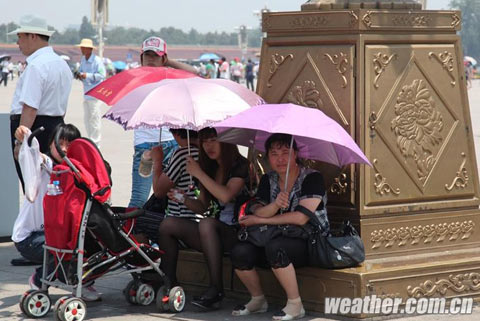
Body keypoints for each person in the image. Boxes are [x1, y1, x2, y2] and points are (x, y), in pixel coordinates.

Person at [230, 133, 329, 321]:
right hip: (276, 234)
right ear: (267, 157)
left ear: (296, 154)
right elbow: (258, 209)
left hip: (310, 240)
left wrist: (260, 220)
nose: (280, 159)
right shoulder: (269, 179)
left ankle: (295, 304)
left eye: (286, 152)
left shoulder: (312, 178)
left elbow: (301, 218)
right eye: (274, 154)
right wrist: (275, 205)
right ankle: (258, 300)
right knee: (239, 251)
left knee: (276, 248)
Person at [173, 127, 250, 310]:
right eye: (205, 141)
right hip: (212, 232)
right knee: (169, 225)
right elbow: (203, 207)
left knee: (206, 224)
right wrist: (182, 198)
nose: (209, 146)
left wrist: (199, 173)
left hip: (237, 232)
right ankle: (170, 283)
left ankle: (216, 288)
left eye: (213, 140)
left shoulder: (240, 165)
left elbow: (226, 196)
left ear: (227, 141)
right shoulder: (210, 167)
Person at [127, 36, 198, 209]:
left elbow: (194, 73)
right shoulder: (134, 78)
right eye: (147, 55)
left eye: (156, 56)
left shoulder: (172, 78)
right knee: (139, 199)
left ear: (163, 58)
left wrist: (168, 63)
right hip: (145, 146)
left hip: (170, 143)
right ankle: (131, 233)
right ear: (141, 57)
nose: (151, 59)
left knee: (171, 195)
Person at [9, 15, 73, 193]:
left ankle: (38, 221)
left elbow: (30, 108)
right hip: (56, 126)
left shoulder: (36, 66)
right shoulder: (61, 65)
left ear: (33, 36)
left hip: (34, 128)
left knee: (33, 186)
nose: (17, 42)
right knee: (52, 185)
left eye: (20, 36)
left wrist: (20, 142)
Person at [11, 124, 80, 266]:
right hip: (29, 238)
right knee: (68, 250)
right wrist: (21, 139)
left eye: (70, 145)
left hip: (51, 234)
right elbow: (34, 155)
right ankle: (38, 278)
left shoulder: (74, 172)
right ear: (50, 145)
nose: (64, 149)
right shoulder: (45, 166)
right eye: (59, 144)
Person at [133, 129, 200, 243]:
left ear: (175, 134)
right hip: (199, 223)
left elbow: (159, 191)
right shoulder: (204, 152)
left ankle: (141, 257)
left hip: (183, 224)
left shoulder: (183, 154)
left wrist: (158, 161)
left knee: (136, 220)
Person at [75, 38, 106, 147]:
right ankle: (91, 140)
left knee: (94, 119)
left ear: (89, 49)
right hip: (87, 93)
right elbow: (82, 71)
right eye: (81, 48)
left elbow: (102, 75)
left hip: (95, 94)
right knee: (87, 119)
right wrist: (79, 75)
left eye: (83, 48)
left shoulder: (97, 61)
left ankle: (96, 143)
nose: (82, 50)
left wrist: (87, 75)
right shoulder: (83, 59)